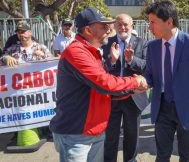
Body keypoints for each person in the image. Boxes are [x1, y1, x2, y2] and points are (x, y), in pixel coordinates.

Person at [49, 8, 148, 162]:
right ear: (88, 30)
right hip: (77, 133)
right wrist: (136, 81)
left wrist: (134, 89)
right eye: (103, 26)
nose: (109, 29)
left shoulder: (92, 51)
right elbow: (104, 83)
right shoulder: (77, 52)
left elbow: (102, 86)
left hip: (94, 130)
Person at [144, 0, 189, 161]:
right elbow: (149, 75)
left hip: (188, 108)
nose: (149, 26)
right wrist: (140, 83)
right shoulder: (152, 47)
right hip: (162, 107)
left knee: (186, 155)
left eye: (153, 22)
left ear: (169, 21)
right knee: (162, 155)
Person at [102, 14, 148, 162]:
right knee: (110, 137)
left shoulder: (142, 43)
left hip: (133, 98)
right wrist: (112, 61)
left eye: (126, 24)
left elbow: (147, 68)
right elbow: (100, 69)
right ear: (114, 26)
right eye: (119, 24)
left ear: (132, 25)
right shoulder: (106, 43)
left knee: (132, 137)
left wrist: (131, 60)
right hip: (111, 98)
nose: (123, 27)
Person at [1, 21, 52, 151]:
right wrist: (5, 58)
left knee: (38, 110)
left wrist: (44, 57)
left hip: (37, 90)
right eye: (19, 32)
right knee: (21, 111)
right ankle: (18, 132)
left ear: (30, 32)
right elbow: (2, 58)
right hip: (17, 89)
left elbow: (51, 64)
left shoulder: (40, 47)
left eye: (23, 31)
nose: (21, 34)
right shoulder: (13, 49)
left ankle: (44, 130)